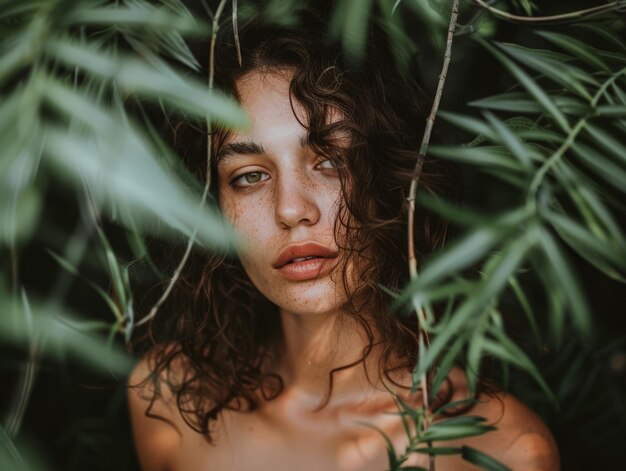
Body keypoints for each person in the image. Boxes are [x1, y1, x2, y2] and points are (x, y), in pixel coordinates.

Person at [128, 8, 559, 471]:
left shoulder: (503, 450)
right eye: (249, 176)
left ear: (394, 178)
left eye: (331, 160)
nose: (291, 209)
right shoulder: (172, 401)